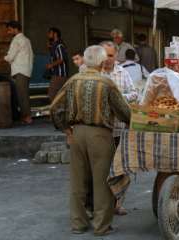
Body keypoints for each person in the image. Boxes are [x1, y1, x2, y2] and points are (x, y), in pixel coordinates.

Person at [50, 45, 131, 236]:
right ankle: (101, 226)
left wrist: (66, 130)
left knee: (78, 181)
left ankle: (78, 224)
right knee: (103, 181)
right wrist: (134, 123)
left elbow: (54, 108)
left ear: (85, 61)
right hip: (100, 135)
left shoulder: (73, 81)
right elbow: (124, 112)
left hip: (77, 134)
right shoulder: (107, 83)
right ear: (102, 63)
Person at [100, 41, 137, 216]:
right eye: (105, 55)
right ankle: (101, 204)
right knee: (102, 169)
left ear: (116, 56)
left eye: (111, 55)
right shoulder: (94, 73)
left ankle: (118, 203)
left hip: (119, 129)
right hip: (101, 130)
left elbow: (134, 93)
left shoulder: (122, 73)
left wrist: (118, 98)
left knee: (120, 168)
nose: (108, 59)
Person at [1, 21, 34, 124]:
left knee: (22, 95)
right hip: (26, 70)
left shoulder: (17, 40)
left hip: (20, 70)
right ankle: (26, 116)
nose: (8, 32)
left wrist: (1, 59)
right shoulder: (27, 40)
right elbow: (33, 56)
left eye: (10, 29)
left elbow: (10, 56)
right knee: (24, 93)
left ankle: (27, 117)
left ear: (15, 29)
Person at [46, 27, 69, 101]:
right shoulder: (55, 45)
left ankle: (56, 111)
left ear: (55, 34)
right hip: (57, 75)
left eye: (50, 33)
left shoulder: (59, 45)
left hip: (59, 75)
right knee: (59, 96)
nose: (48, 35)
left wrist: (51, 65)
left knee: (52, 94)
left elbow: (61, 59)